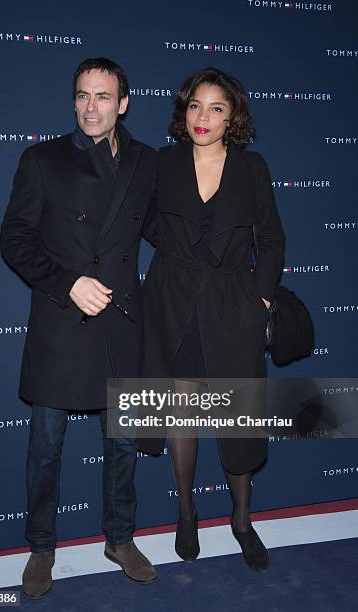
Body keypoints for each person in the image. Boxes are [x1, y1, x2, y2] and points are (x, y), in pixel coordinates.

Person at [0, 57, 157, 598]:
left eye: (103, 96)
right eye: (83, 96)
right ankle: (41, 547)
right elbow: (15, 240)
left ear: (124, 102)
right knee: (46, 446)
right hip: (63, 321)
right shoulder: (42, 158)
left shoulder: (146, 162)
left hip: (120, 322)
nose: (91, 107)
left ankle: (120, 537)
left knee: (123, 443)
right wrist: (68, 283)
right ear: (74, 101)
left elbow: (170, 227)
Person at [140, 68, 285, 572]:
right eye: (195, 106)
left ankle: (242, 521)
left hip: (231, 303)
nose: (203, 117)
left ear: (232, 117)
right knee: (182, 409)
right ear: (184, 112)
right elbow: (147, 223)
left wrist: (261, 301)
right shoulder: (163, 163)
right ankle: (186, 511)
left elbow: (270, 239)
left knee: (236, 414)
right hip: (174, 301)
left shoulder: (252, 168)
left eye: (216, 108)